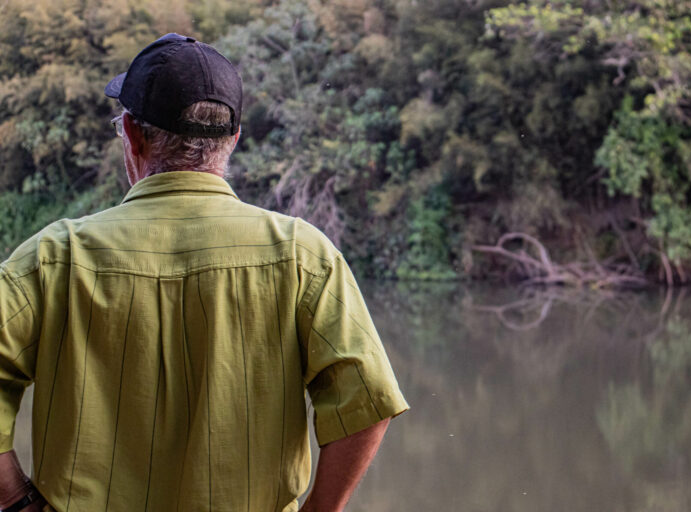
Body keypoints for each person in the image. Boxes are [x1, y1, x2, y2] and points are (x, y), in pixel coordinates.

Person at [0, 33, 408, 512]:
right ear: (233, 140)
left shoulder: (55, 256)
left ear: (131, 134)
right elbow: (369, 402)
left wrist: (14, 500)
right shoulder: (301, 255)